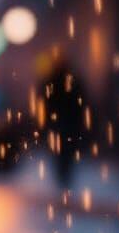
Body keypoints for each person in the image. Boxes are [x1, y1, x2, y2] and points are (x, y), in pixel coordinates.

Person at [38, 50, 88, 189]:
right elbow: (82, 103)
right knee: (66, 151)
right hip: (69, 123)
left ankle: (62, 177)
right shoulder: (72, 81)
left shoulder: (52, 81)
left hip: (59, 123)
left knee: (61, 152)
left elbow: (44, 102)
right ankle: (64, 177)